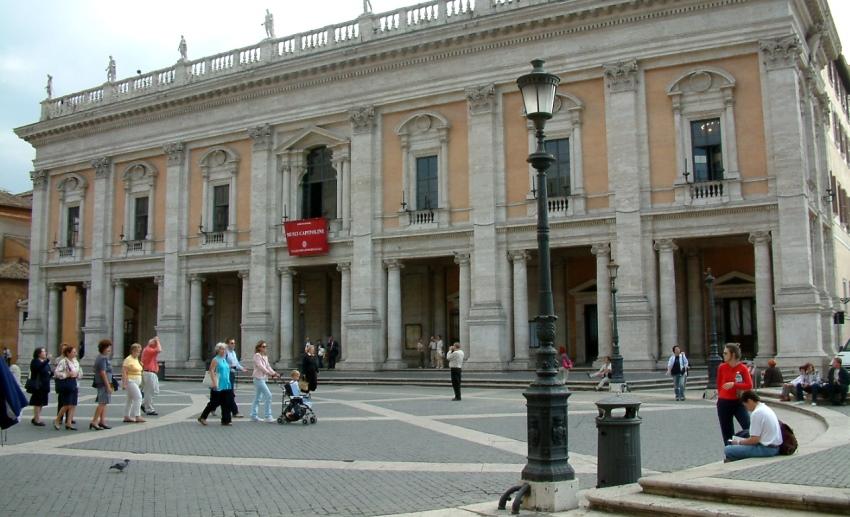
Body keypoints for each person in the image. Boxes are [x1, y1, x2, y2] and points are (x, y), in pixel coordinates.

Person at [723, 390, 782, 462]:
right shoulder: (765, 408)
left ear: (750, 401)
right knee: (742, 437)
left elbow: (754, 440)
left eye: (745, 405)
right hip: (775, 446)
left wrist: (739, 442)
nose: (746, 408)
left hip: (767, 449)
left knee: (728, 449)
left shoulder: (757, 413)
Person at [716, 342, 753, 445]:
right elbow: (719, 384)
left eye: (725, 353)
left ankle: (749, 445)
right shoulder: (722, 367)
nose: (723, 355)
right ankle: (730, 452)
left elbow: (749, 385)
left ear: (732, 355)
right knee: (726, 430)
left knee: (748, 426)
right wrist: (721, 397)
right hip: (724, 402)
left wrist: (734, 384)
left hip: (738, 401)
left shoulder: (742, 368)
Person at [199, 343, 237, 426]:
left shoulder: (224, 359)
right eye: (222, 349)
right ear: (218, 350)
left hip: (226, 384)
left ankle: (226, 420)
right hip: (218, 384)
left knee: (227, 402)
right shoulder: (215, 359)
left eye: (225, 349)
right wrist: (214, 382)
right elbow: (211, 371)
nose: (224, 351)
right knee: (214, 403)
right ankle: (202, 417)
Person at [53, 344, 82, 431]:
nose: (75, 353)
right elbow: (56, 373)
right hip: (67, 383)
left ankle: (69, 423)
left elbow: (79, 371)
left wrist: (78, 375)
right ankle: (57, 420)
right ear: (68, 353)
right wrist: (66, 374)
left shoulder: (75, 361)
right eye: (73, 352)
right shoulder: (63, 361)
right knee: (66, 404)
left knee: (73, 404)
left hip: (74, 383)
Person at [251, 340, 279, 422]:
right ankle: (268, 416)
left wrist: (274, 373)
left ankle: (253, 415)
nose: (265, 348)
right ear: (259, 348)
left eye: (265, 346)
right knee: (268, 395)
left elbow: (268, 366)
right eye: (263, 346)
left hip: (262, 378)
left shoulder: (265, 357)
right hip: (258, 378)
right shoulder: (257, 355)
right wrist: (270, 374)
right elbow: (260, 367)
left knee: (257, 398)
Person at [90, 339, 114, 430]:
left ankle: (102, 421)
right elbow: (102, 372)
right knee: (102, 402)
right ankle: (94, 421)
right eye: (108, 347)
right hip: (104, 383)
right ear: (103, 348)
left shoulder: (101, 357)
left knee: (105, 402)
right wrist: (108, 385)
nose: (109, 349)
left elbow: (95, 369)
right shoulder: (102, 358)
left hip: (107, 381)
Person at [28, 347, 53, 426]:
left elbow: (47, 371)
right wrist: (47, 360)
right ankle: (37, 419)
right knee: (38, 402)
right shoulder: (35, 361)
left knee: (42, 402)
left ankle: (36, 417)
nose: (45, 353)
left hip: (45, 385)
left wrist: (52, 373)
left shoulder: (44, 362)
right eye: (43, 351)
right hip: (38, 385)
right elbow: (38, 369)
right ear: (39, 353)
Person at [122, 343, 145, 424]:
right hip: (130, 380)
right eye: (136, 351)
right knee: (138, 397)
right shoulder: (128, 359)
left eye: (139, 352)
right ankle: (137, 416)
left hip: (137, 381)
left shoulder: (136, 359)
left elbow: (140, 370)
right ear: (132, 351)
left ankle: (126, 416)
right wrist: (124, 383)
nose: (138, 353)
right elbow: (124, 372)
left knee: (130, 399)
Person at [141, 336, 162, 416]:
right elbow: (160, 349)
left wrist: (156, 341)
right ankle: (149, 409)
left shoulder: (150, 350)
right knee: (149, 392)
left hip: (151, 373)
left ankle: (144, 404)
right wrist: (157, 340)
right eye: (155, 343)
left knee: (154, 391)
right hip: (149, 373)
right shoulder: (148, 350)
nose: (157, 344)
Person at [225, 338, 246, 418]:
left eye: (234, 343)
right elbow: (221, 363)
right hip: (226, 375)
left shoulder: (233, 353)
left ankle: (212, 407)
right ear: (227, 344)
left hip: (232, 374)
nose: (233, 344)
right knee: (230, 393)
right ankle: (235, 411)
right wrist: (230, 366)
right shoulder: (225, 353)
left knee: (223, 394)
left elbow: (236, 363)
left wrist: (242, 368)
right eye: (231, 343)